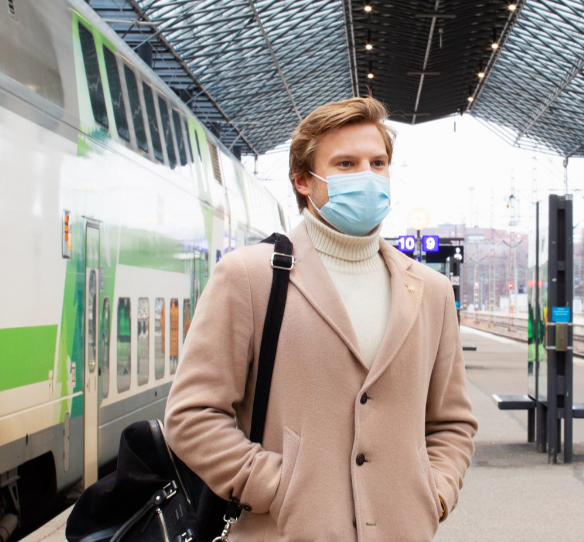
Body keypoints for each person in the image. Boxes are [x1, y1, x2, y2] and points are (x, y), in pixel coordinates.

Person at [165, 97, 477, 542]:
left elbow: (451, 422)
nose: (366, 177)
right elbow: (191, 415)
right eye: (346, 164)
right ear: (303, 181)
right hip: (286, 532)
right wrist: (276, 486)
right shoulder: (249, 277)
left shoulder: (429, 292)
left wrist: (436, 492)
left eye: (378, 163)